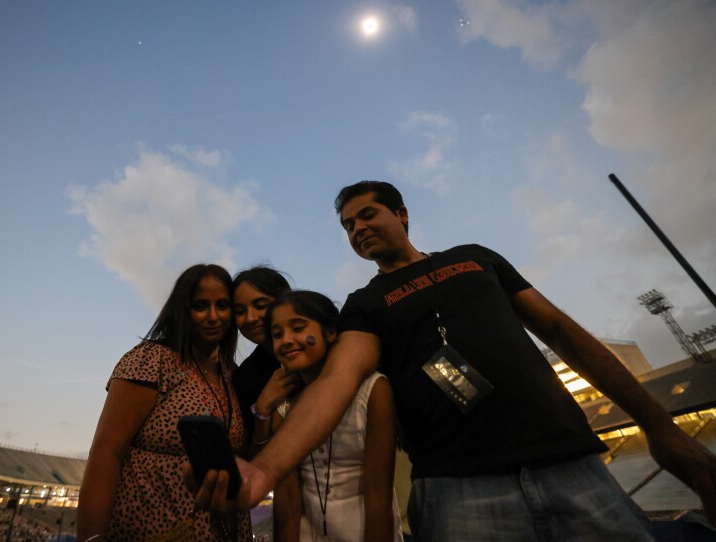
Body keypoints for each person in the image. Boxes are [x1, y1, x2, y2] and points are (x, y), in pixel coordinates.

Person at [194, 181, 716, 540]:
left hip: (570, 466)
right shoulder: (365, 304)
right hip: (456, 489)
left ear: (401, 213)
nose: (357, 229)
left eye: (367, 215)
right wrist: (263, 469)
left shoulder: (475, 258)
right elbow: (337, 381)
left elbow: (563, 332)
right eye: (348, 226)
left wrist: (659, 426)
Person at [79, 264, 252, 542]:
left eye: (222, 305)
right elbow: (106, 452)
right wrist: (91, 538)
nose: (213, 316)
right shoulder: (151, 360)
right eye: (200, 306)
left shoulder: (232, 373)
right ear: (182, 310)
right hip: (153, 528)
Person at [266, 290, 403, 542]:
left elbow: (378, 497)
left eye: (297, 328)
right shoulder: (283, 408)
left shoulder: (372, 390)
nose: (286, 340)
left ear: (330, 333)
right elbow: (287, 501)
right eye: (277, 334)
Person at [231, 266, 303, 453]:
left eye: (261, 305)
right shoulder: (245, 377)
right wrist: (262, 408)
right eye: (240, 311)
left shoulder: (319, 350)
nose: (250, 318)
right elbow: (254, 458)